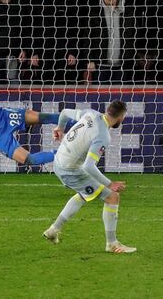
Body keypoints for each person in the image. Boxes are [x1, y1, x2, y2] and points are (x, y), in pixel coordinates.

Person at [42, 101, 136, 254]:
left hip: (59, 161)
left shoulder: (91, 113)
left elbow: (65, 112)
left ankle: (54, 230)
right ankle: (112, 244)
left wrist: (60, 128)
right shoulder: (103, 136)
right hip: (70, 169)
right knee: (112, 197)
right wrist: (110, 183)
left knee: (85, 194)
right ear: (121, 117)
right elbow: (89, 166)